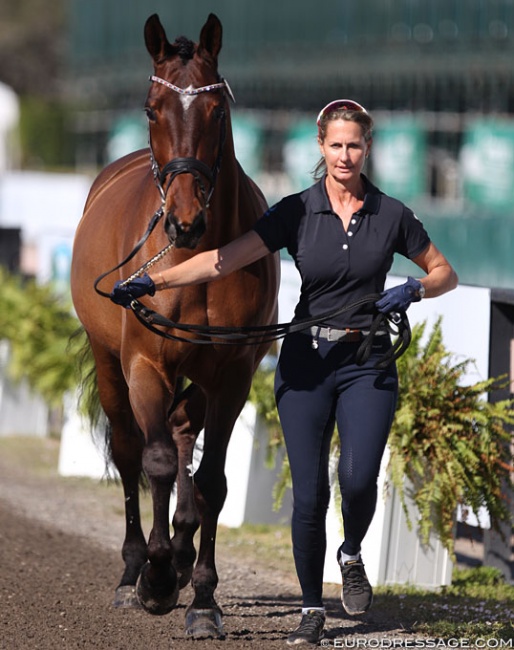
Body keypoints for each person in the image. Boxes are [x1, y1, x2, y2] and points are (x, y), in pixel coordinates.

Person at [110, 99, 458, 646]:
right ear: (321, 147)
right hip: (306, 363)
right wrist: (154, 282)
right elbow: (225, 258)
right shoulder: (294, 211)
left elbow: (444, 271)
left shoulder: (392, 215)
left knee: (359, 480)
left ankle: (349, 553)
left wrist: (414, 287)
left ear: (367, 149)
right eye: (336, 145)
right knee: (309, 495)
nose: (345, 155)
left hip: (367, 360)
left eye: (355, 145)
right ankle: (312, 610)